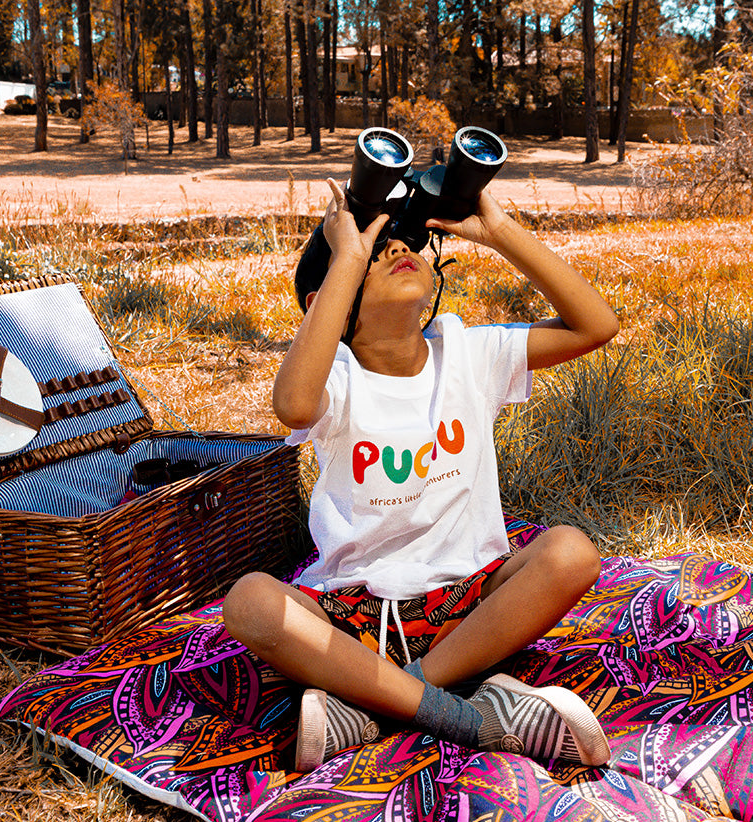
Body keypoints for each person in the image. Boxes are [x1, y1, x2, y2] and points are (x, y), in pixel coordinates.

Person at [221, 177, 620, 772]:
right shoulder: (335, 377)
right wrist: (346, 257)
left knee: (572, 553)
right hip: (353, 616)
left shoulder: (468, 352)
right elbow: (293, 407)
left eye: (405, 240)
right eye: (372, 250)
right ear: (325, 302)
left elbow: (596, 326)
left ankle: (376, 703)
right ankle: (469, 716)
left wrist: (500, 231)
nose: (393, 250)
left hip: (471, 606)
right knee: (250, 602)